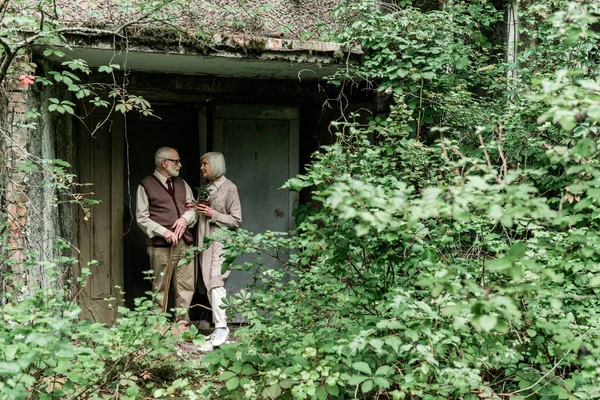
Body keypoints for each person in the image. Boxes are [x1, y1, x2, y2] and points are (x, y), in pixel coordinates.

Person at [136, 146, 197, 329]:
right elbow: (142, 217)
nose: (180, 165)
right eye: (176, 161)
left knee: (186, 285)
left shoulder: (182, 183)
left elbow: (192, 207)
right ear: (164, 163)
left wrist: (184, 220)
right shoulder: (145, 185)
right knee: (160, 287)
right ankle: (159, 327)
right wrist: (164, 232)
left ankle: (182, 325)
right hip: (160, 246)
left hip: (185, 243)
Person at [195, 152, 242, 347]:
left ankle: (222, 328)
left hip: (221, 242)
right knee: (209, 283)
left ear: (215, 165)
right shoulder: (205, 188)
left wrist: (213, 214)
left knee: (216, 283)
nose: (202, 168)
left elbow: (236, 220)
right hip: (205, 242)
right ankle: (218, 327)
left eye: (204, 164)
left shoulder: (230, 188)